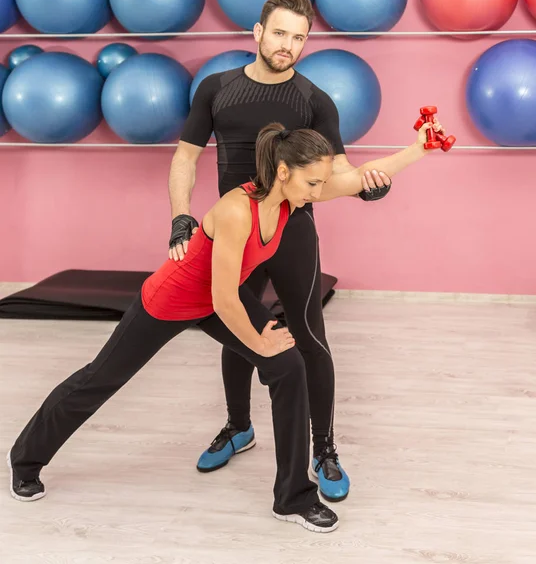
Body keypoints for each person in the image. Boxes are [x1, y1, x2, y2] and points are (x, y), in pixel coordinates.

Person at [7, 119, 441, 533]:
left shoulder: (294, 195)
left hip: (218, 298)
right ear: (284, 172)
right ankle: (25, 461)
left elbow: (362, 176)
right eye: (312, 183)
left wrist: (419, 149)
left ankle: (293, 497)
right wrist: (258, 341)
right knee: (100, 379)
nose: (318, 192)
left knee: (289, 367)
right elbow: (223, 298)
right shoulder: (237, 210)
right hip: (172, 299)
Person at [168, 0, 393, 502]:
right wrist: (181, 215)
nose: (287, 45)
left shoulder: (314, 100)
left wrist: (371, 185)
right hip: (235, 231)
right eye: (279, 33)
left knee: (311, 337)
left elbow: (339, 174)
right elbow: (185, 158)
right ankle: (239, 426)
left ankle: (325, 448)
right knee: (237, 330)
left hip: (292, 233)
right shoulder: (216, 89)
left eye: (298, 37)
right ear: (257, 32)